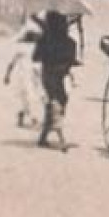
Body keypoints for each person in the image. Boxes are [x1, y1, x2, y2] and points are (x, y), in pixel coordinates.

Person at [34, 11, 79, 151]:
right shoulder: (70, 42)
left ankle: (43, 136)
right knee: (57, 103)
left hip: (48, 74)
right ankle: (61, 139)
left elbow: (36, 57)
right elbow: (72, 61)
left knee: (53, 103)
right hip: (60, 75)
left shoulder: (44, 40)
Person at [4, 22, 43, 129]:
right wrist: (7, 75)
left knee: (29, 96)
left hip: (31, 74)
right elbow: (12, 62)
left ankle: (22, 114)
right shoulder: (24, 48)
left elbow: (11, 63)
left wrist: (7, 75)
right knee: (30, 96)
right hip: (26, 74)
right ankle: (33, 118)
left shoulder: (33, 47)